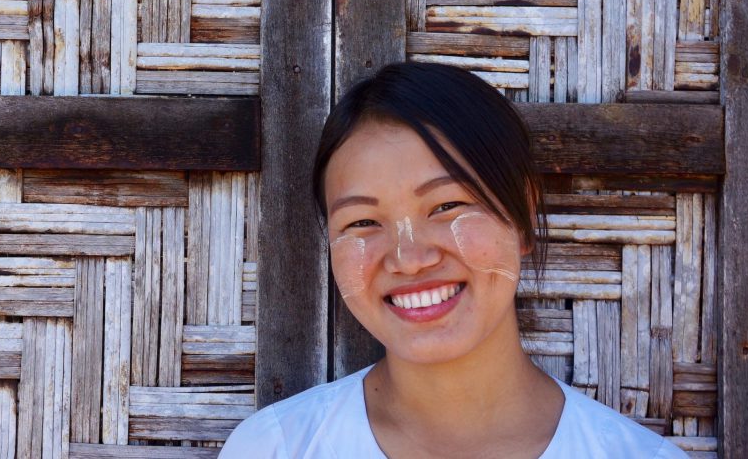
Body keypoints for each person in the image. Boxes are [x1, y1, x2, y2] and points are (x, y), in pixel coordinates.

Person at [219, 63, 686, 458]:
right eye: (362, 222)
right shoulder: (275, 448)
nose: (409, 259)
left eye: (446, 206)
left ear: (523, 217)